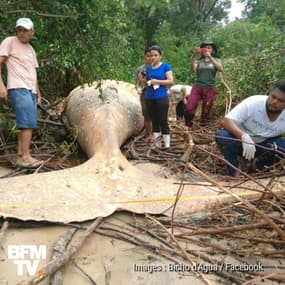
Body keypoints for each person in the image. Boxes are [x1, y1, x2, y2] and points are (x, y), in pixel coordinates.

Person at [215, 79, 285, 177]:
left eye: (280, 101)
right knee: (223, 136)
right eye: (273, 96)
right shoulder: (254, 102)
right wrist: (243, 136)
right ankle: (235, 170)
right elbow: (227, 121)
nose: (274, 102)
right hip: (240, 141)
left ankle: (258, 168)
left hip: (264, 145)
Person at [0, 18, 43, 168]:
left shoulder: (31, 50)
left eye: (25, 30)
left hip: (30, 90)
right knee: (27, 124)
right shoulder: (10, 42)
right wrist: (1, 86)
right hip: (18, 87)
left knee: (26, 123)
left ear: (32, 32)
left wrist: (38, 93)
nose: (22, 33)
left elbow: (33, 73)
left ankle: (20, 155)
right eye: (19, 29)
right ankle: (26, 157)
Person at [185, 39, 222, 127]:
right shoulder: (199, 61)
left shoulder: (216, 60)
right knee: (189, 108)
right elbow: (193, 69)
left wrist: (210, 58)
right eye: (204, 48)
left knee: (206, 111)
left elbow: (220, 69)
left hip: (210, 88)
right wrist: (194, 55)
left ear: (212, 50)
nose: (206, 50)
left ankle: (202, 130)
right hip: (197, 87)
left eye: (209, 48)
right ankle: (188, 126)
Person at [145, 45, 174, 148]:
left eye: (155, 55)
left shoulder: (165, 66)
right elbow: (145, 81)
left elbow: (171, 81)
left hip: (161, 96)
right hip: (149, 97)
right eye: (151, 55)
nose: (153, 57)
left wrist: (157, 81)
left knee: (163, 120)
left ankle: (167, 145)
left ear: (160, 56)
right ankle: (157, 144)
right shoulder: (148, 68)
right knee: (154, 121)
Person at [135, 47, 153, 141]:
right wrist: (138, 88)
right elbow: (136, 82)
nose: (150, 58)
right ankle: (149, 134)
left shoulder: (157, 68)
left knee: (155, 114)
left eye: (152, 56)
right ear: (145, 56)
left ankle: (155, 134)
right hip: (144, 93)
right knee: (146, 115)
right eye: (148, 56)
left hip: (155, 93)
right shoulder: (140, 69)